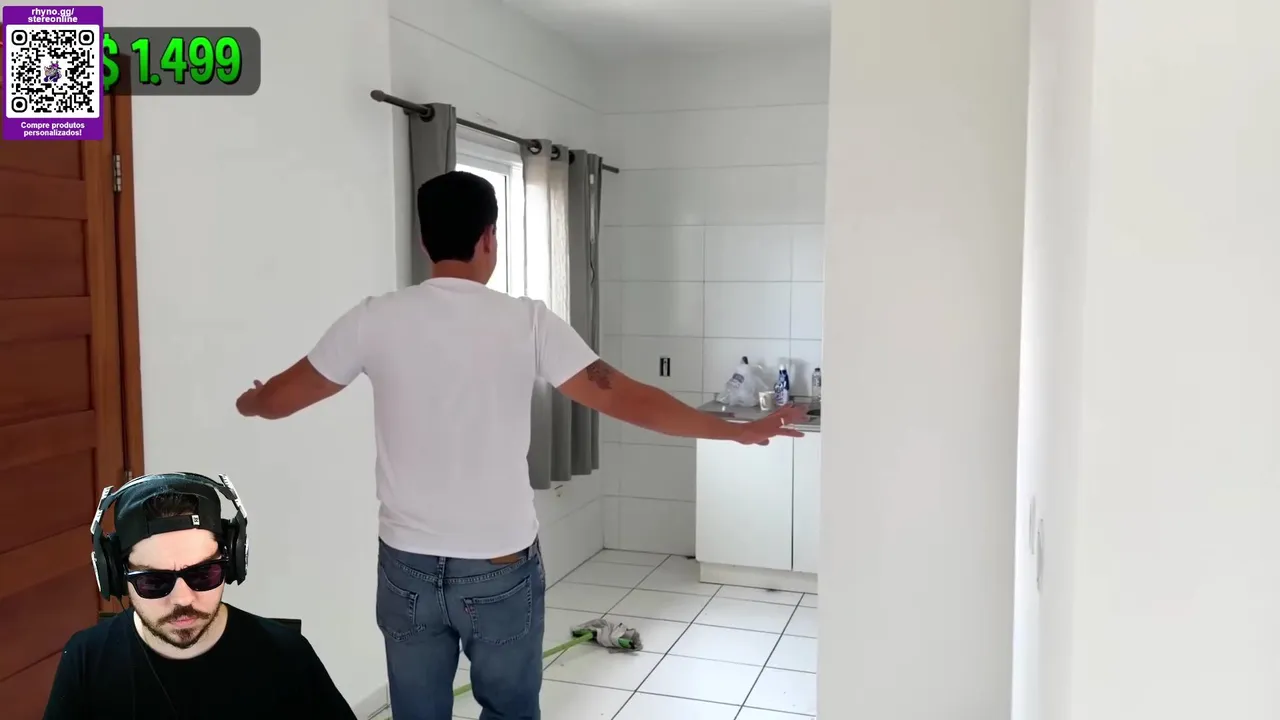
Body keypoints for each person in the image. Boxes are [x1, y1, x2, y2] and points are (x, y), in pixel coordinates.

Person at [233, 170, 806, 720]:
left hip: (407, 564)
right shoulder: (528, 322)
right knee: (509, 712)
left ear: (424, 239)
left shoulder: (373, 319)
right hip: (499, 563)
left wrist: (252, 400)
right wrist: (738, 430)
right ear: (489, 237)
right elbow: (630, 399)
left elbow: (278, 399)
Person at [43, 472, 356, 719]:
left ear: (232, 562)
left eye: (202, 574)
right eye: (154, 581)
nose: (182, 599)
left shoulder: (288, 658)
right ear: (115, 575)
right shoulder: (85, 659)